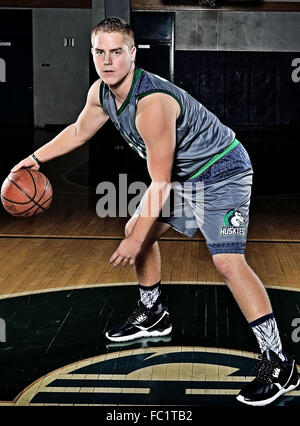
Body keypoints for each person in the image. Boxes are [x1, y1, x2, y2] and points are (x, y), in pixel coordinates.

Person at [12, 17, 299, 406]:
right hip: (186, 177)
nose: (108, 60)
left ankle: (280, 362)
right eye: (100, 52)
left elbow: (160, 182)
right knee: (139, 225)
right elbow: (79, 131)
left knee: (228, 261)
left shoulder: (152, 104)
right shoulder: (102, 93)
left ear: (133, 53)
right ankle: (153, 312)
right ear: (93, 53)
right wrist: (32, 159)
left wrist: (134, 238)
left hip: (222, 173)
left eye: (117, 52)